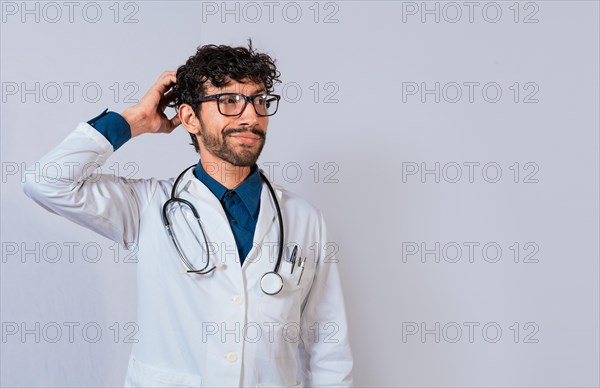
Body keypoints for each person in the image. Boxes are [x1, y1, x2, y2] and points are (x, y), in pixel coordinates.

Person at [22, 41, 353, 387]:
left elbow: (328, 347)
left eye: (259, 101)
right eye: (229, 101)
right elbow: (46, 182)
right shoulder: (146, 206)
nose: (251, 116)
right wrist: (134, 120)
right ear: (189, 118)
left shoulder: (303, 219)